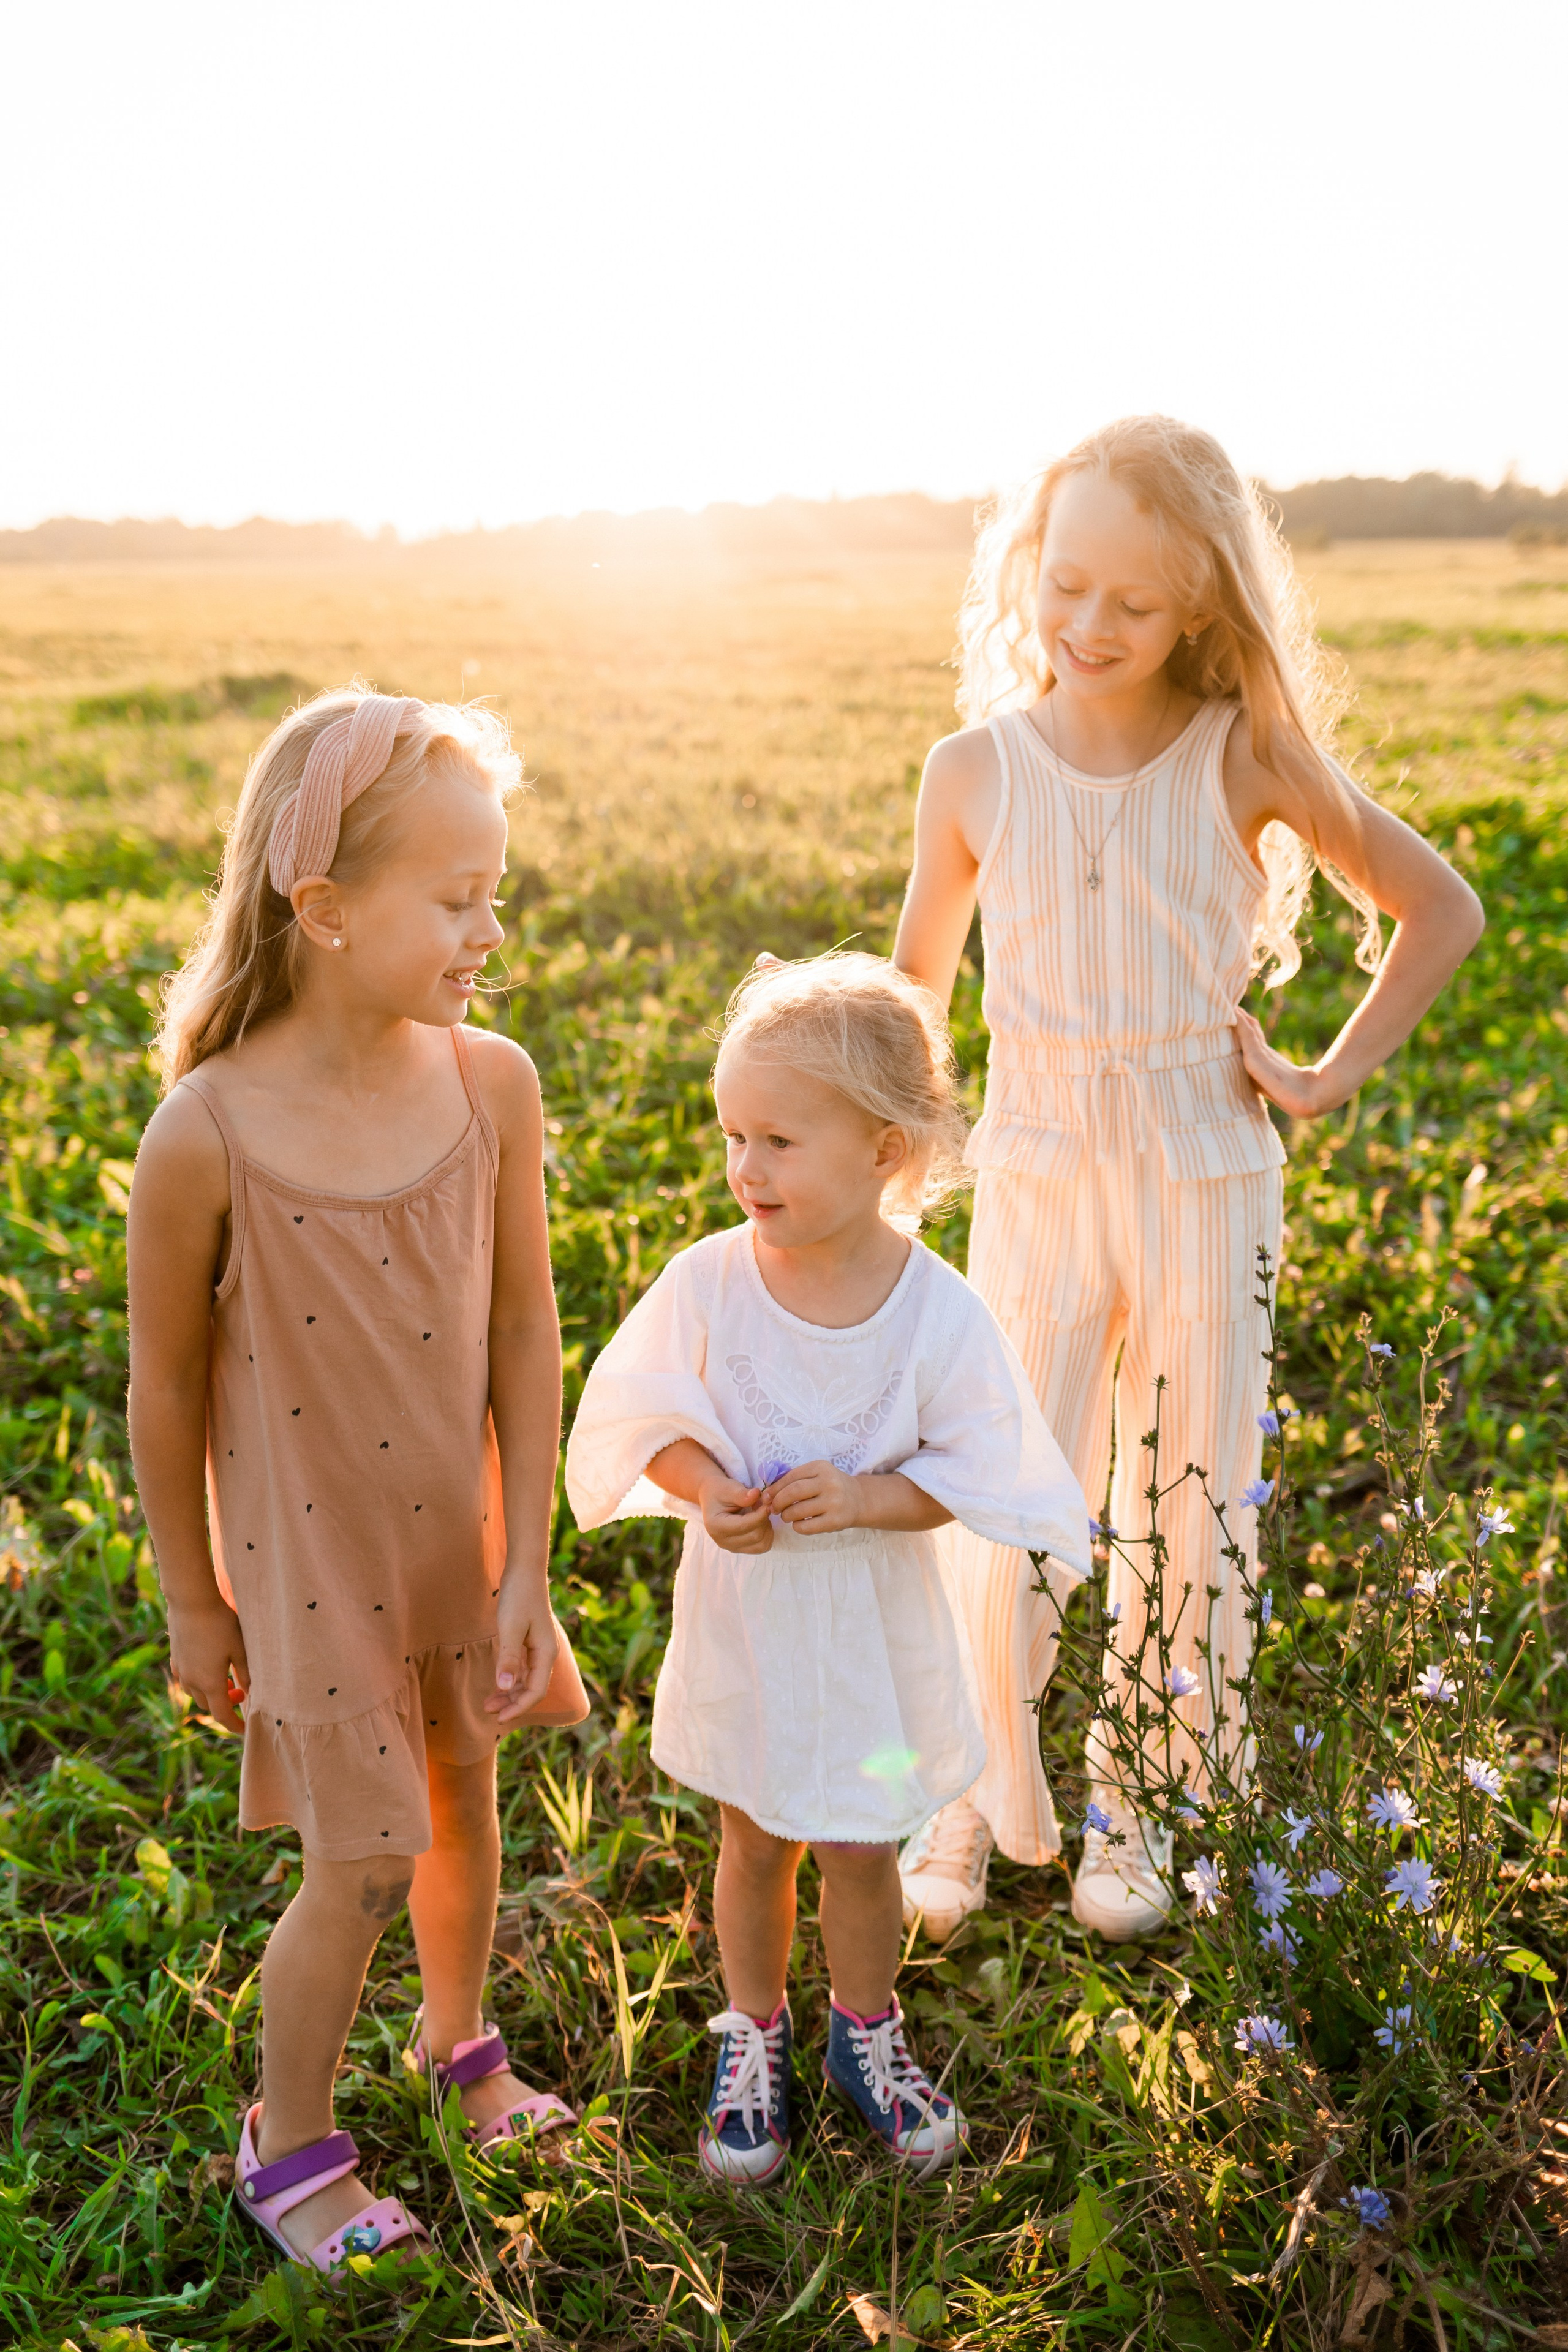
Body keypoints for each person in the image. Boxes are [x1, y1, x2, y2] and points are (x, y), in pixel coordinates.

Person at [892, 416, 1484, 1943]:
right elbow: (911, 1002)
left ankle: (1142, 1799)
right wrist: (884, 1170)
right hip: (1031, 1161)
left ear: (1200, 612)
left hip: (1203, 1163)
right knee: (1004, 1479)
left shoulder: (1246, 754)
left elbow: (1438, 909)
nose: (1087, 628)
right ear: (1029, 565)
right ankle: (963, 1787)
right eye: (1065, 584)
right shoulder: (971, 770)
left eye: (1132, 606)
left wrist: (1322, 1073)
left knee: (1191, 1482)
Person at [127, 687, 588, 2274]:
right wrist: (195, 1595)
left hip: (450, 1542)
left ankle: (457, 2046)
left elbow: (526, 1332)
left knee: (464, 1799)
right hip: (309, 1559)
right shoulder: (209, 1134)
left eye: (497, 895)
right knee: (368, 1858)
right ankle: (290, 2141)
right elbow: (165, 1387)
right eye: (457, 901)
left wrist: (525, 1556)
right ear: (322, 912)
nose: (489, 930)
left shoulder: (491, 1084)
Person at [565, 953, 1088, 2185]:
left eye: (780, 1142)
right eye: (733, 1136)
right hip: (752, 1623)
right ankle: (751, 2031)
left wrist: (864, 1496)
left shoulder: (934, 1312)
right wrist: (707, 1494)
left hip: (865, 1634)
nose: (746, 1169)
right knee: (749, 1836)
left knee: (858, 1845)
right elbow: (645, 1416)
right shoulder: (708, 1284)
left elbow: (977, 1467)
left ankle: (865, 2033)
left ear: (885, 1152)